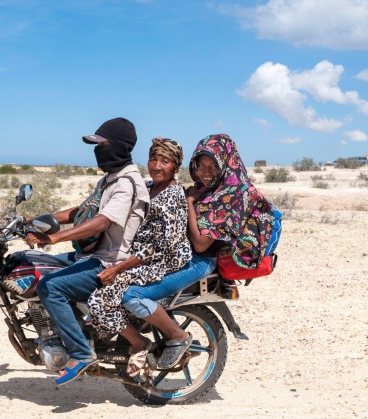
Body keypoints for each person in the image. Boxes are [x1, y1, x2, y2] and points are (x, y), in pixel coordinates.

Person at [110, 133, 276, 370]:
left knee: (131, 294)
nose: (205, 172)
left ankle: (178, 336)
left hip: (199, 260)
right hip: (177, 254)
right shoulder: (204, 189)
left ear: (225, 165)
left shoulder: (232, 196)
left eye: (212, 166)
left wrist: (188, 203)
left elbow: (200, 244)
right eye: (201, 166)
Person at [25, 117, 149, 386]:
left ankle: (81, 353)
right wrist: (33, 219)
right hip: (89, 256)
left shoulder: (126, 183)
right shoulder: (109, 179)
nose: (97, 150)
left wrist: (55, 237)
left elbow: (103, 220)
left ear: (118, 146)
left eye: (101, 144)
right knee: (33, 264)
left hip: (109, 261)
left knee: (50, 287)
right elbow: (79, 212)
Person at [87, 137, 193, 376]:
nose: (157, 166)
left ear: (176, 167)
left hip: (161, 260)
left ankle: (140, 342)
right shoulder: (147, 186)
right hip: (136, 254)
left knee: (100, 298)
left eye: (165, 161)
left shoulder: (173, 197)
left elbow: (160, 247)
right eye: (154, 159)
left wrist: (118, 268)